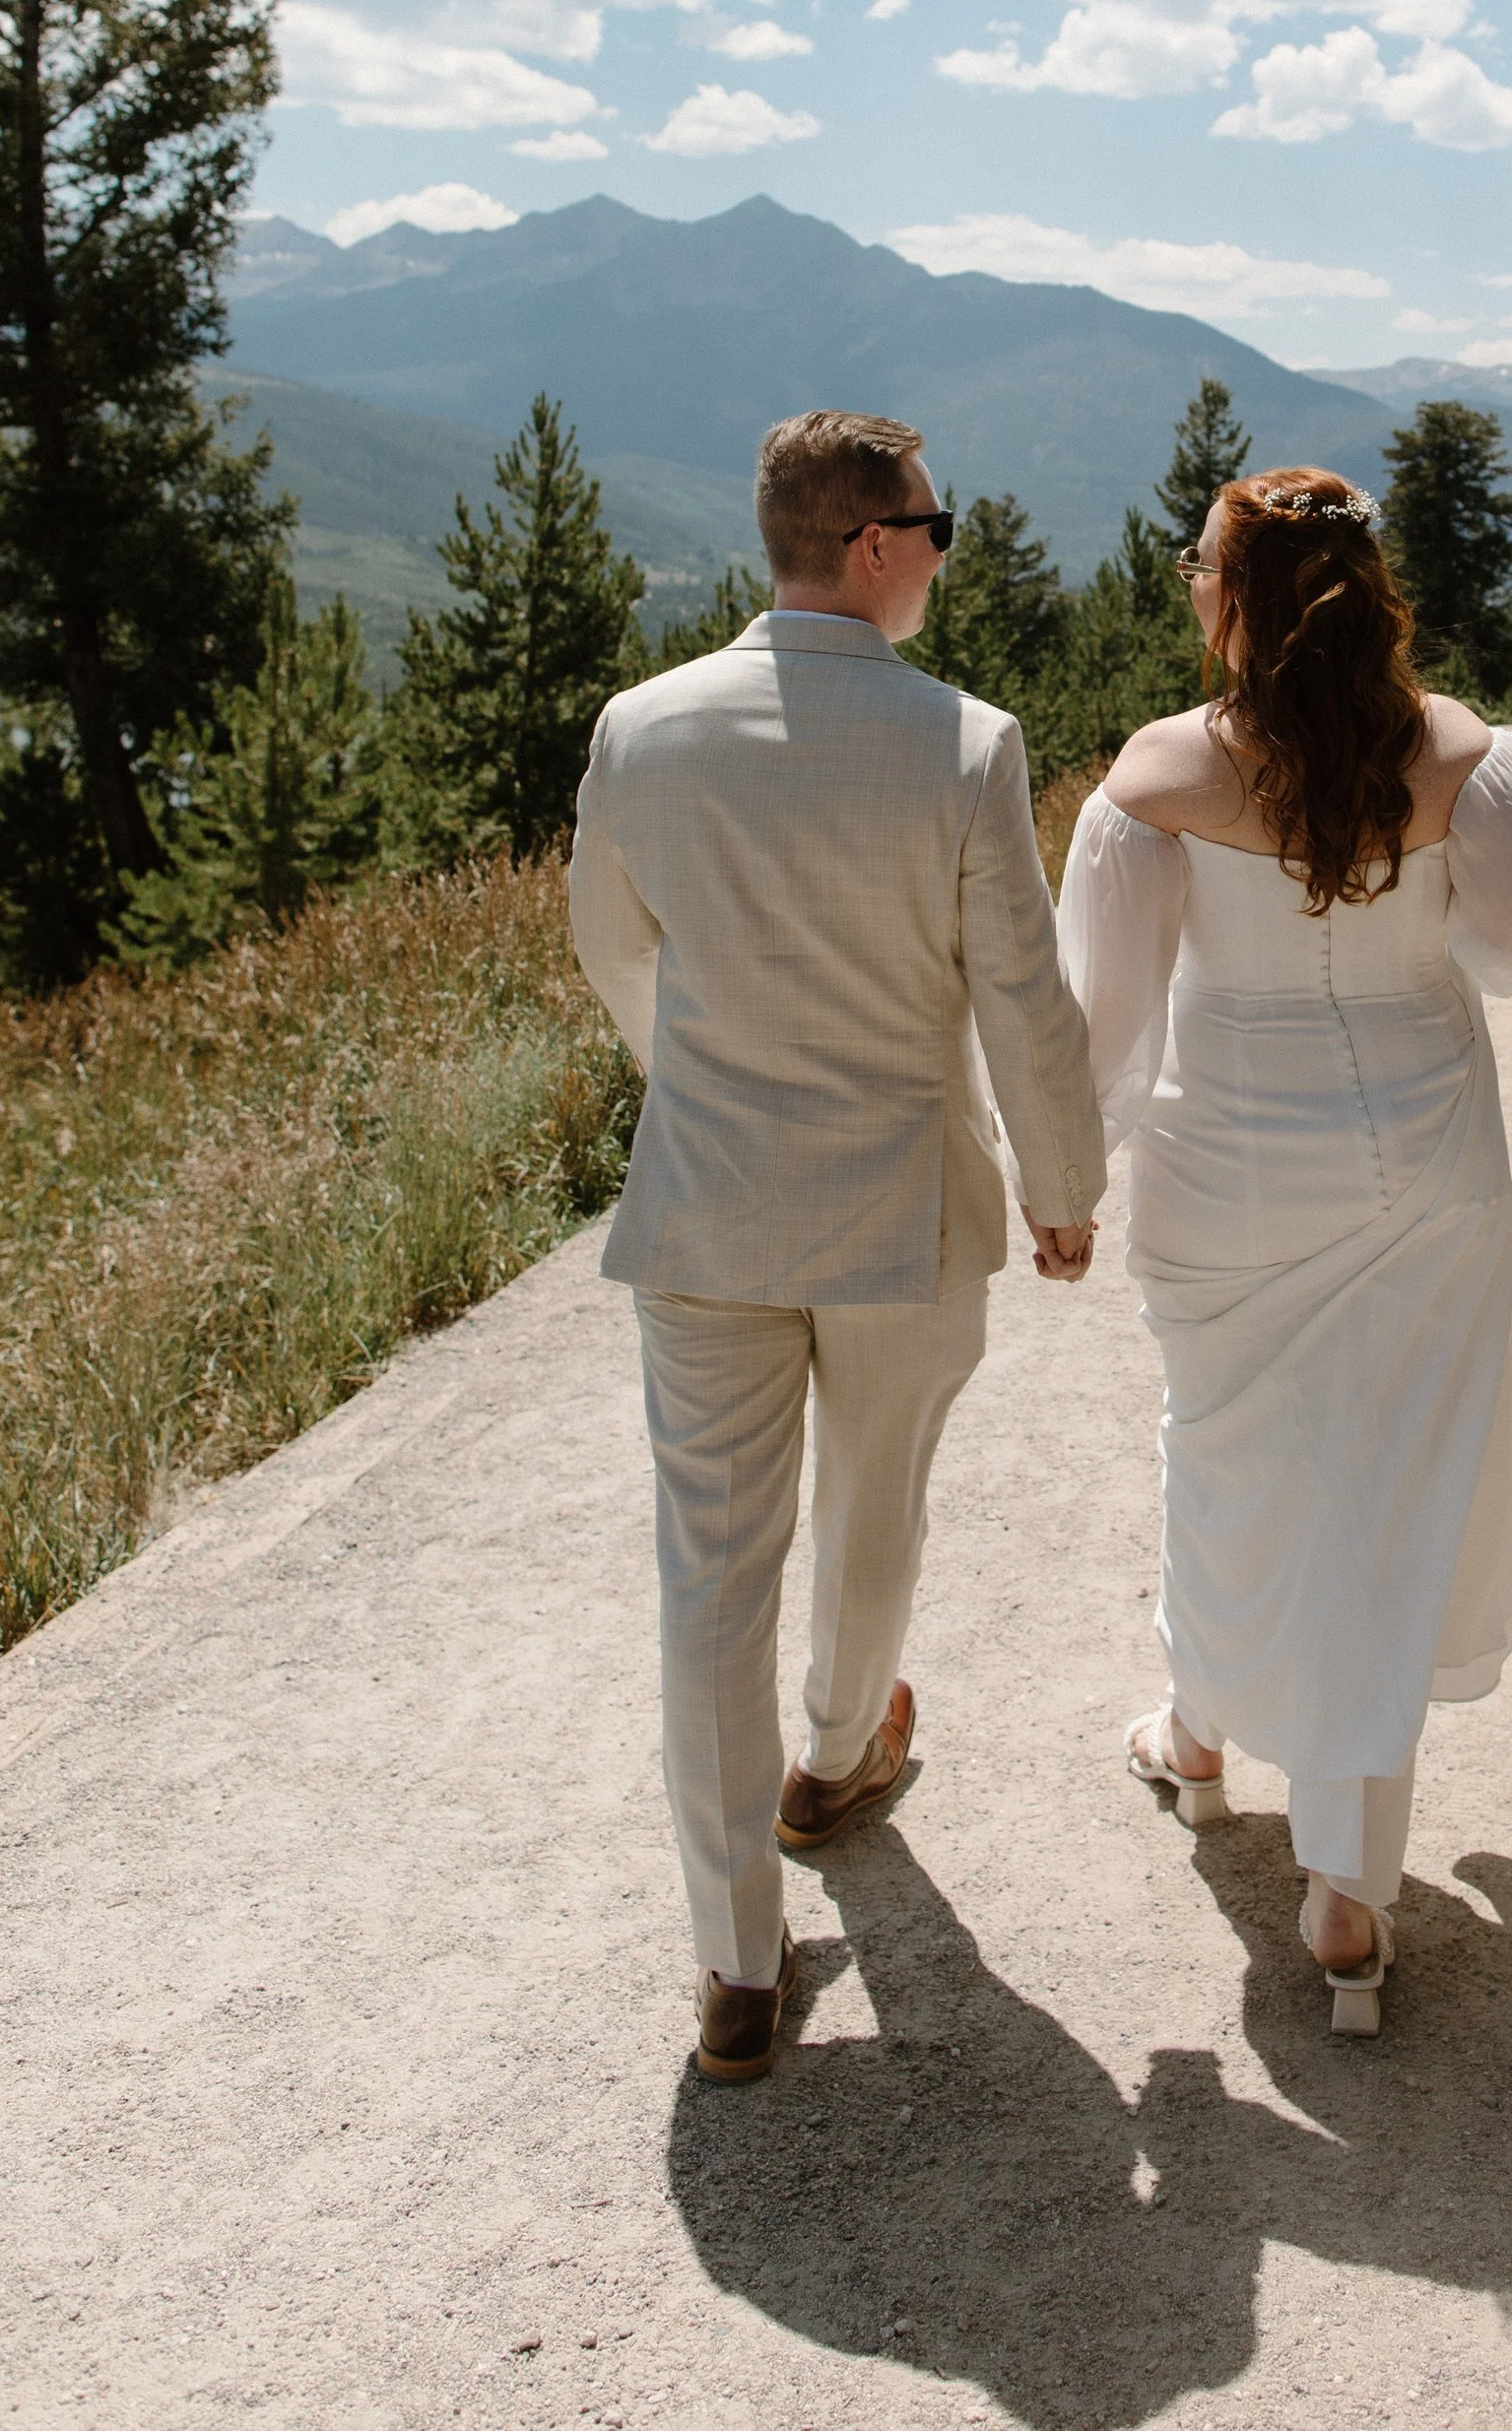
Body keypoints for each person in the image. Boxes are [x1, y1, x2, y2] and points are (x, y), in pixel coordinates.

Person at [570, 409, 1105, 2084]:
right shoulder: (965, 744)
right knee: (880, 1504)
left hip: (710, 1205)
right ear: (872, 545)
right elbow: (1021, 987)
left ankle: (736, 1966)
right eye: (935, 527)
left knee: (708, 1575)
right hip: (901, 1209)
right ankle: (832, 1757)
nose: (945, 551)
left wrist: (705, 1080)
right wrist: (1060, 1180)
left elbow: (613, 952)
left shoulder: (641, 730)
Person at [1058, 467, 1512, 2035]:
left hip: (1226, 1167)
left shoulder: (1157, 779)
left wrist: (1068, 1173)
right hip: (1425, 1158)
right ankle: (1346, 1884)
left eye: (1192, 571)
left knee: (1229, 1460)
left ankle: (1202, 1736)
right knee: (1387, 1494)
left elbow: (1100, 1025)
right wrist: (1446, 958)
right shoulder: (1456, 755)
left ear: (1231, 597)